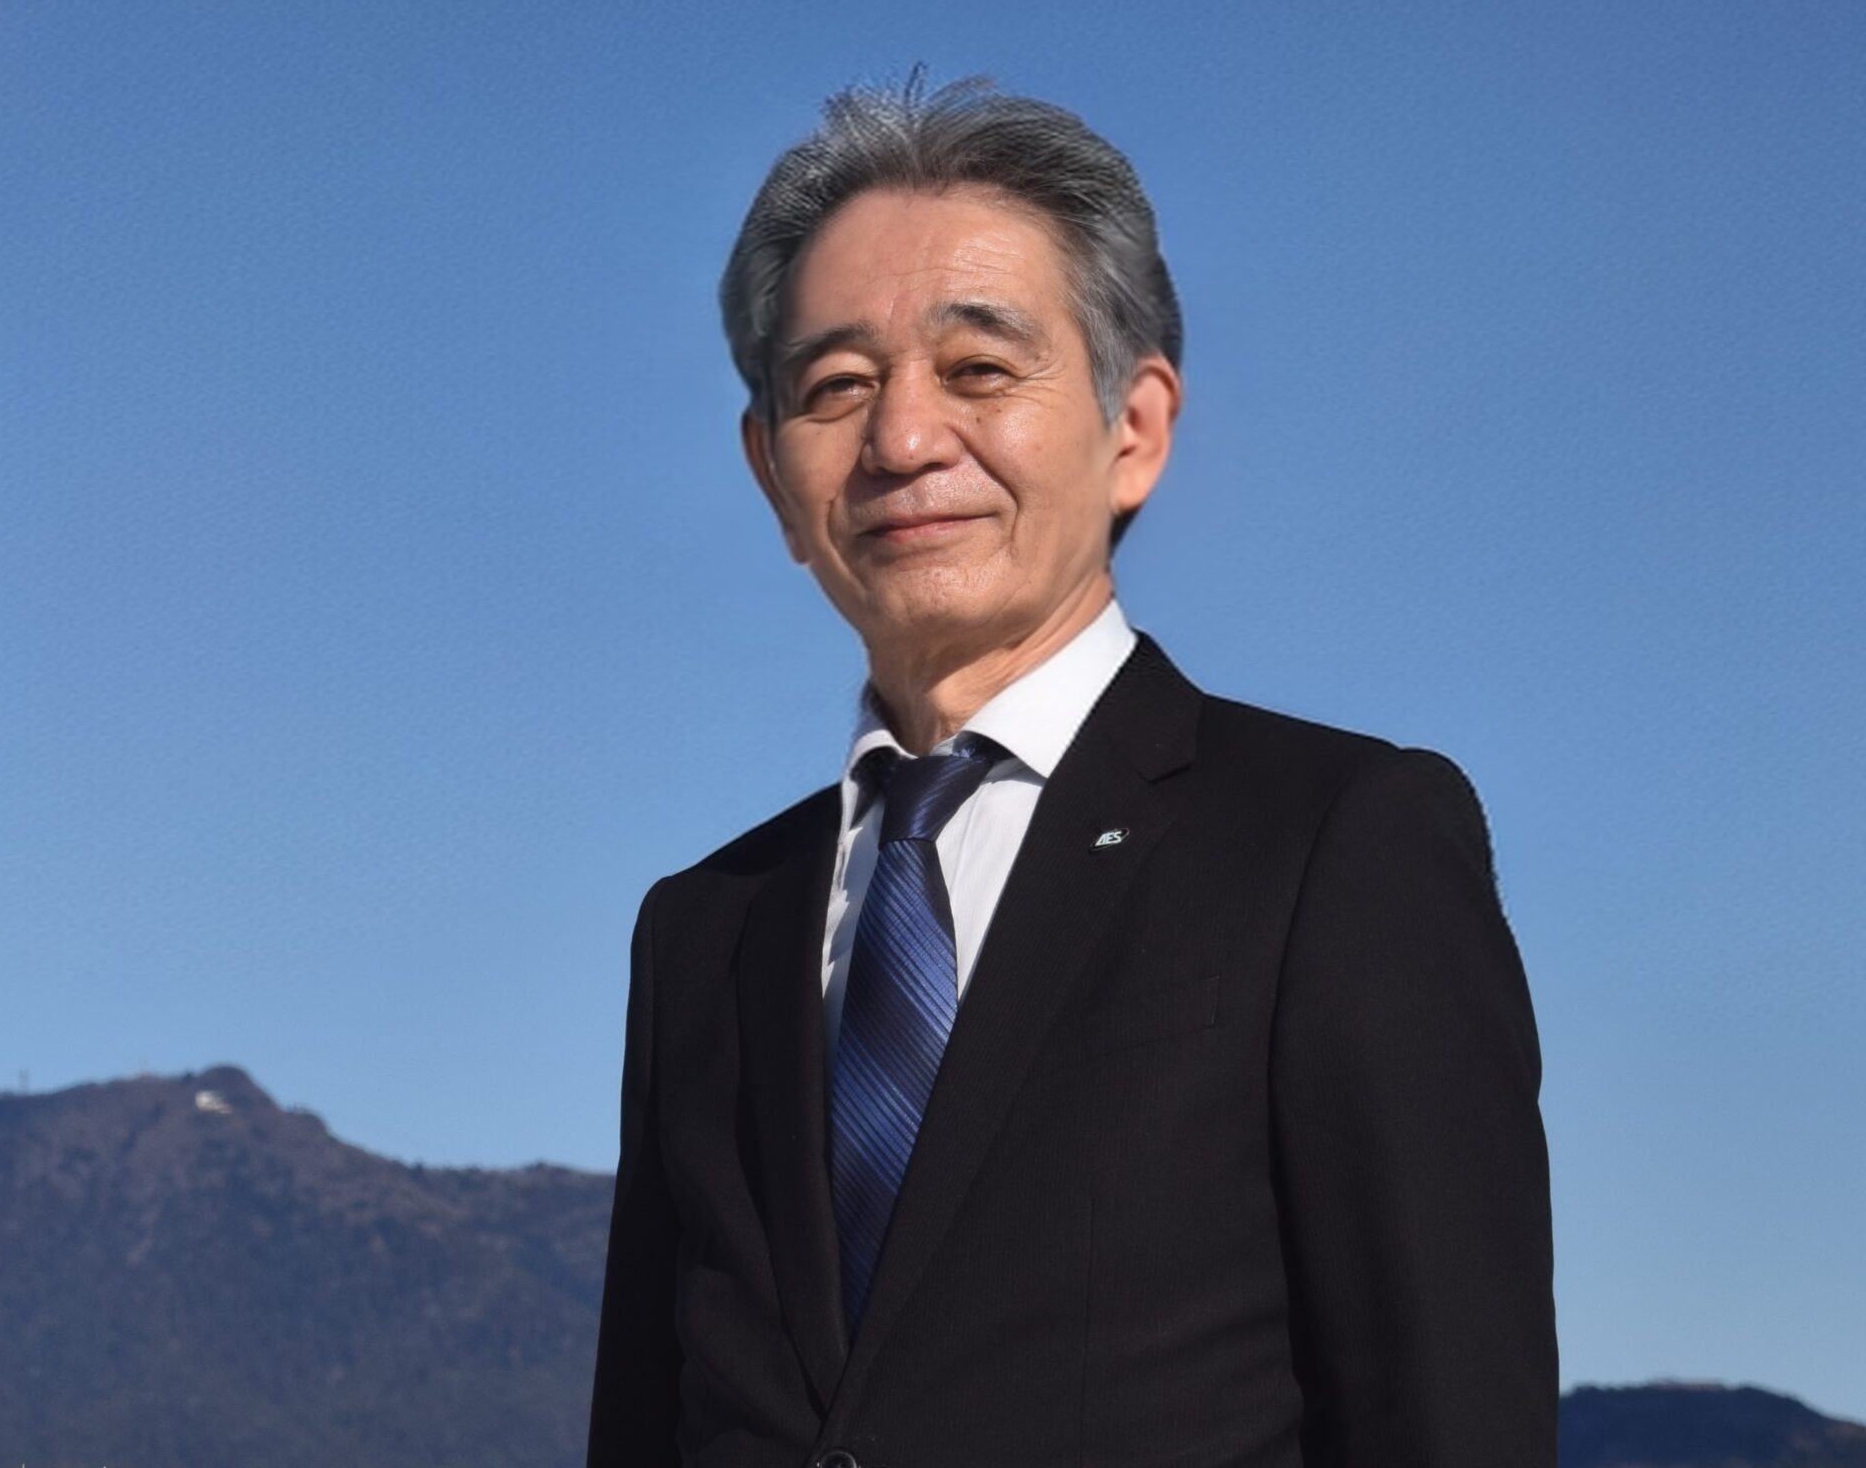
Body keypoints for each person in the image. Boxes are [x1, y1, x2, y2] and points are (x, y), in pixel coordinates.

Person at [585, 78, 1555, 1468]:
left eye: (980, 370)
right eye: (837, 387)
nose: (903, 441)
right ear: (770, 473)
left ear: (1133, 429)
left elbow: (1447, 1417)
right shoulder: (705, 929)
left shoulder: (1334, 845)